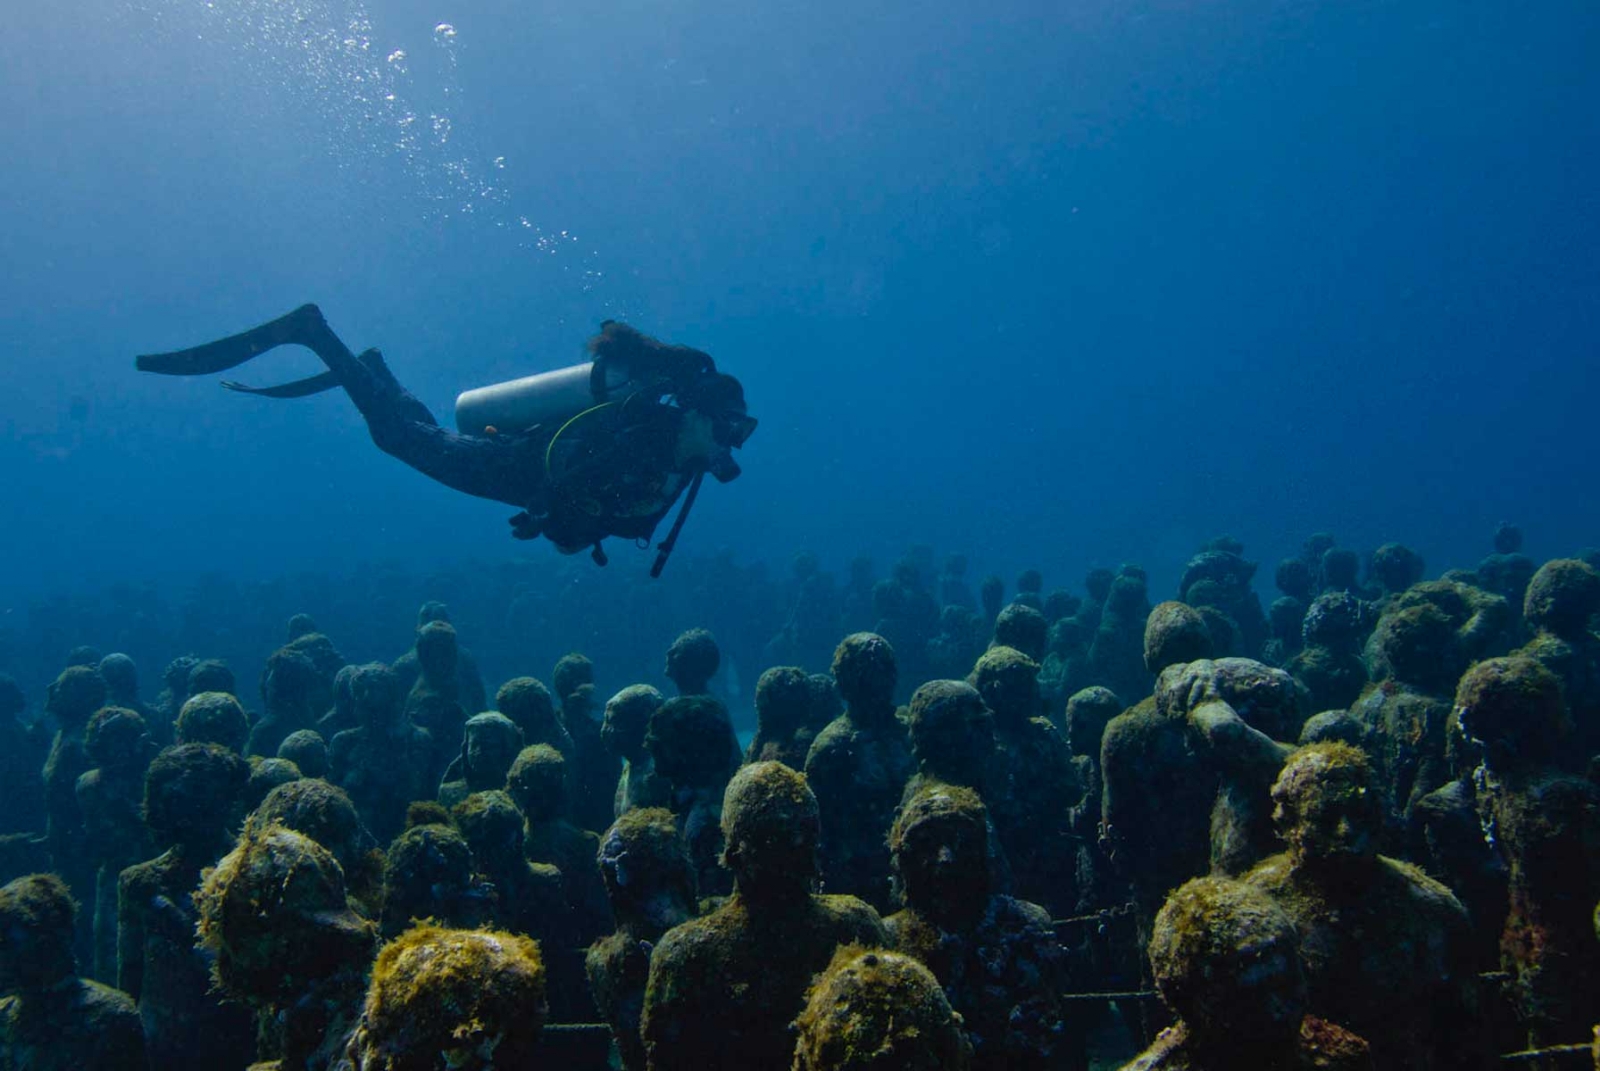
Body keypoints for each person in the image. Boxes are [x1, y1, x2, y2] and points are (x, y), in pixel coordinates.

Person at [137, 304, 755, 571]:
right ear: (697, 414)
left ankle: (372, 369)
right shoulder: (645, 438)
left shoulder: (676, 456)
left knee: (416, 432)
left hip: (512, 476)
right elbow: (572, 479)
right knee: (399, 439)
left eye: (739, 433)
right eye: (728, 428)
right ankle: (313, 332)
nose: (732, 445)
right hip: (509, 468)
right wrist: (547, 513)